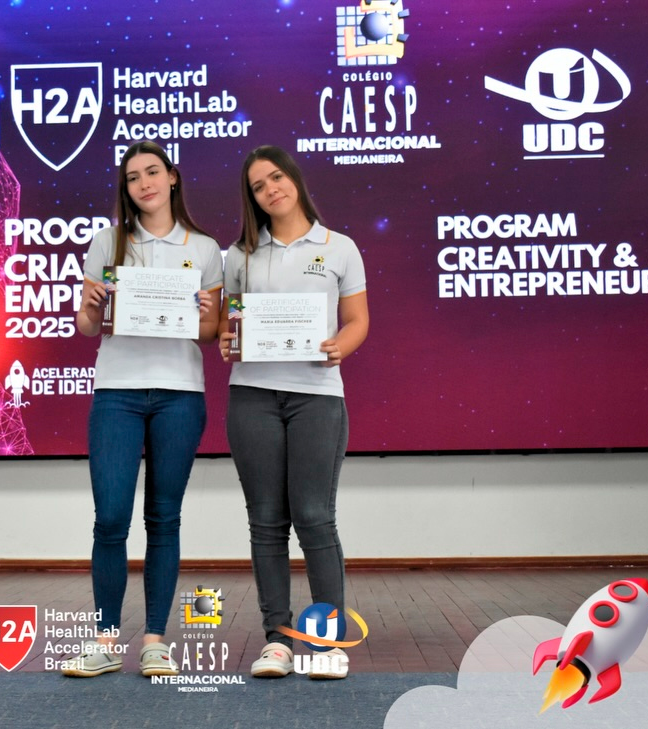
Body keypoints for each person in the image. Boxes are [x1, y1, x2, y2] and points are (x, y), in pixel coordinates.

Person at [61, 141, 223, 678]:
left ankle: (155, 640)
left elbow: (211, 333)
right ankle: (106, 640)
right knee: (110, 518)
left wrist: (205, 313)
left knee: (163, 518)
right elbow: (88, 327)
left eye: (152, 172)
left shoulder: (204, 248)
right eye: (133, 177)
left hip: (180, 393)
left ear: (172, 177)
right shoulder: (107, 242)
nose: (144, 183)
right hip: (118, 392)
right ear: (125, 189)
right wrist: (90, 308)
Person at [217, 145, 369, 679]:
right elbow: (229, 325)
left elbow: (357, 321)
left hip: (317, 397)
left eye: (276, 178)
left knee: (314, 516)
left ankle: (327, 644)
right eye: (258, 186)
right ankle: (278, 641)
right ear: (252, 198)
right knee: (266, 522)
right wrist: (228, 341)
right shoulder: (239, 256)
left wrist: (338, 346)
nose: (270, 190)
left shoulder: (339, 247)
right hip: (252, 395)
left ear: (295, 180)